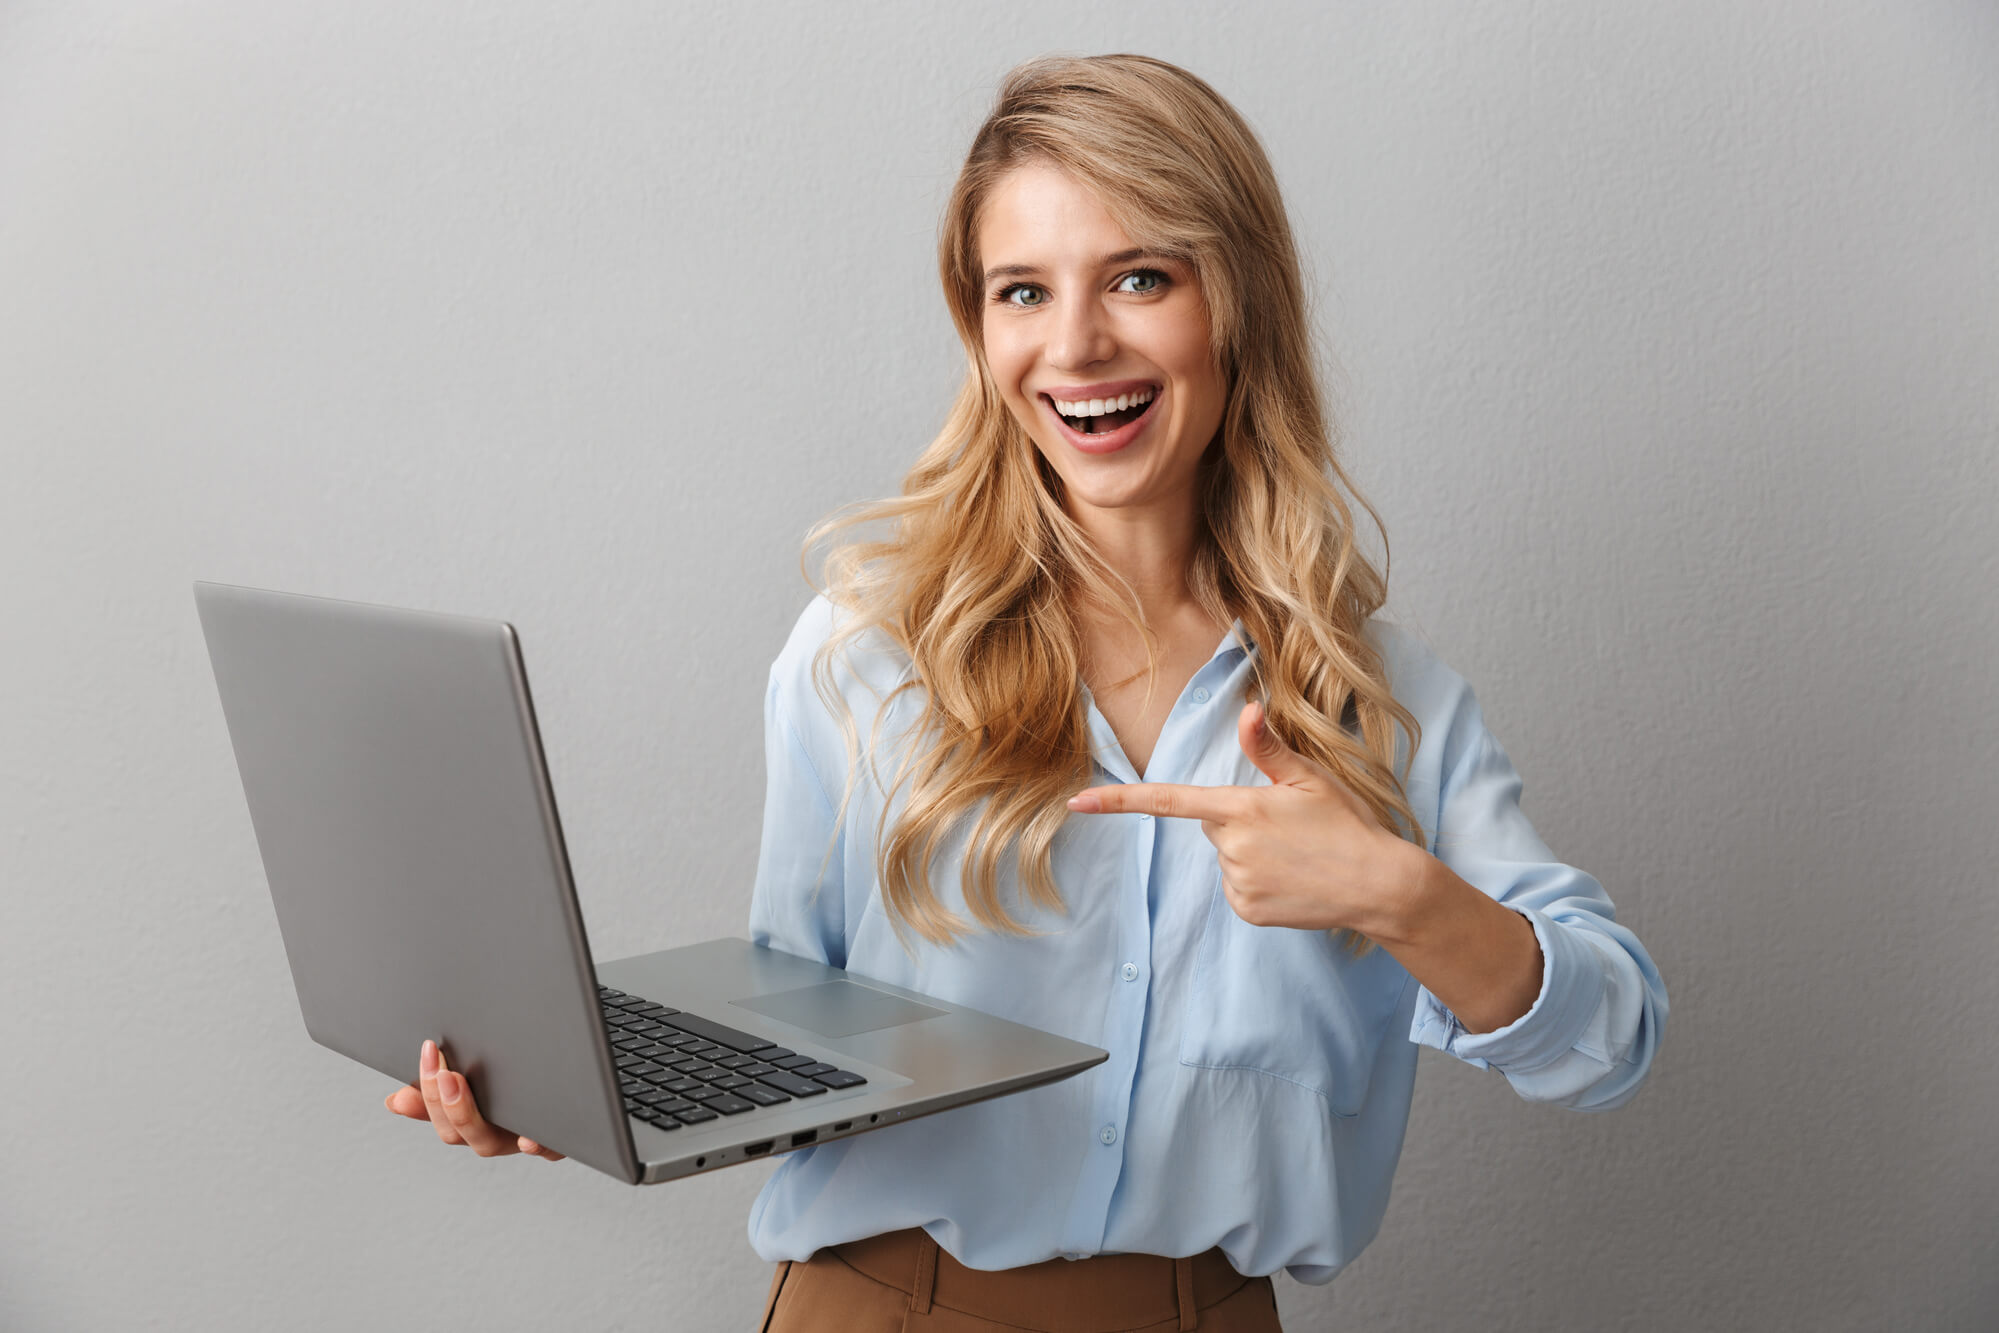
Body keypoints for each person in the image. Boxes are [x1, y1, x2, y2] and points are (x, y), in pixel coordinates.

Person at [386, 53, 1667, 1332]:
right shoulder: (864, 656)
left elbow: (1606, 1042)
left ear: (1239, 305)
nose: (1075, 346)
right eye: (1021, 291)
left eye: (1139, 277)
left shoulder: (1383, 707)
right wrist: (572, 1090)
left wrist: (1396, 893)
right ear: (979, 326)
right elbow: (782, 1013)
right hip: (872, 1306)